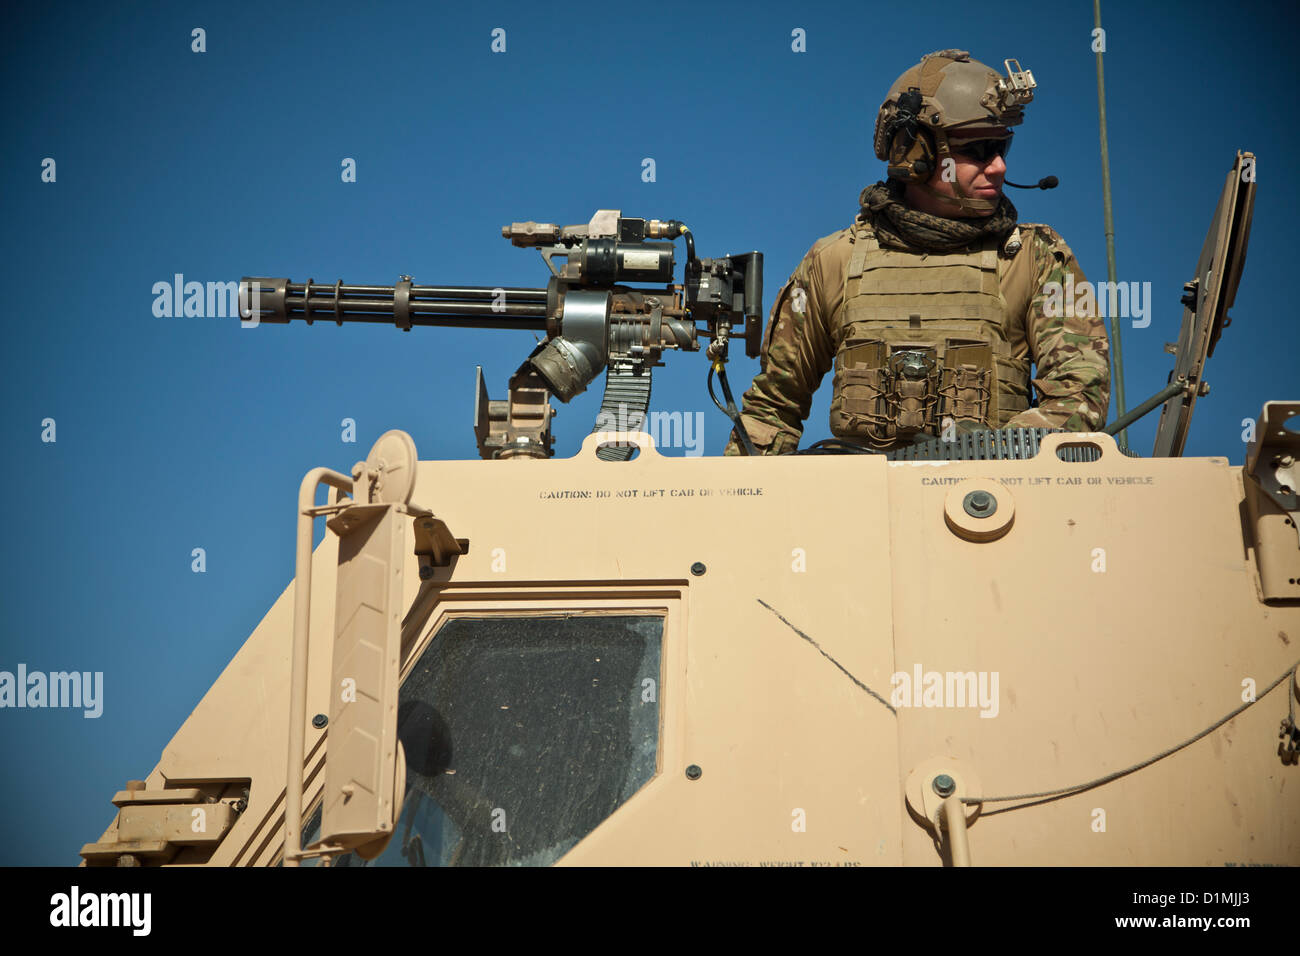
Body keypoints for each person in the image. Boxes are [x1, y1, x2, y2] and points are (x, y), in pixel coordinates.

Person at [724, 50, 1110, 456]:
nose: (998, 167)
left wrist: (985, 455)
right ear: (915, 152)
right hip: (859, 506)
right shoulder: (834, 261)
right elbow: (773, 409)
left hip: (994, 503)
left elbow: (1078, 396)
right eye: (978, 150)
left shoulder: (1033, 258)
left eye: (1003, 148)